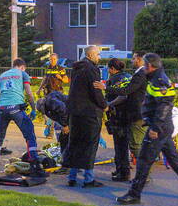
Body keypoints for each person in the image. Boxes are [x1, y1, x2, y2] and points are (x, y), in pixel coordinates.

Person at [117, 54, 178, 205]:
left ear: (150, 66)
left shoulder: (160, 81)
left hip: (159, 128)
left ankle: (134, 194)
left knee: (144, 160)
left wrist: (155, 127)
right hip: (162, 126)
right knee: (174, 159)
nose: (143, 67)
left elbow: (164, 106)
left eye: (144, 65)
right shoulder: (157, 78)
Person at [0, 58, 44, 177]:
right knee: (29, 135)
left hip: (3, 109)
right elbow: (28, 93)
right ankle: (34, 165)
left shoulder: (2, 75)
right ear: (22, 67)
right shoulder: (23, 74)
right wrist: (33, 109)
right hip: (17, 109)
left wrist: (1, 107)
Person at [63, 46, 107, 187]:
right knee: (89, 145)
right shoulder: (92, 69)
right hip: (90, 113)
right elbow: (96, 90)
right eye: (98, 54)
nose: (99, 57)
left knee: (75, 144)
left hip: (75, 113)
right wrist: (104, 105)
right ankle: (88, 179)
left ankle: (72, 176)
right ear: (90, 55)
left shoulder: (76, 68)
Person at [104, 58, 134, 181]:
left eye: (108, 69)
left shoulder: (113, 79)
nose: (108, 71)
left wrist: (109, 104)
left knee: (119, 145)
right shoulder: (129, 76)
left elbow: (120, 96)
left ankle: (123, 172)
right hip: (129, 114)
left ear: (112, 69)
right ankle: (121, 169)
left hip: (118, 115)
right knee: (124, 144)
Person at [38, 52, 69, 137]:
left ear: (57, 60)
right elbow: (44, 79)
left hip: (58, 94)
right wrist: (39, 89)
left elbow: (67, 80)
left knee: (56, 112)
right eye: (51, 59)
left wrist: (61, 78)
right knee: (48, 112)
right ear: (49, 60)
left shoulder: (61, 69)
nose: (52, 60)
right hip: (48, 93)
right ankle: (50, 131)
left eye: (54, 59)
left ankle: (57, 132)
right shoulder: (47, 68)